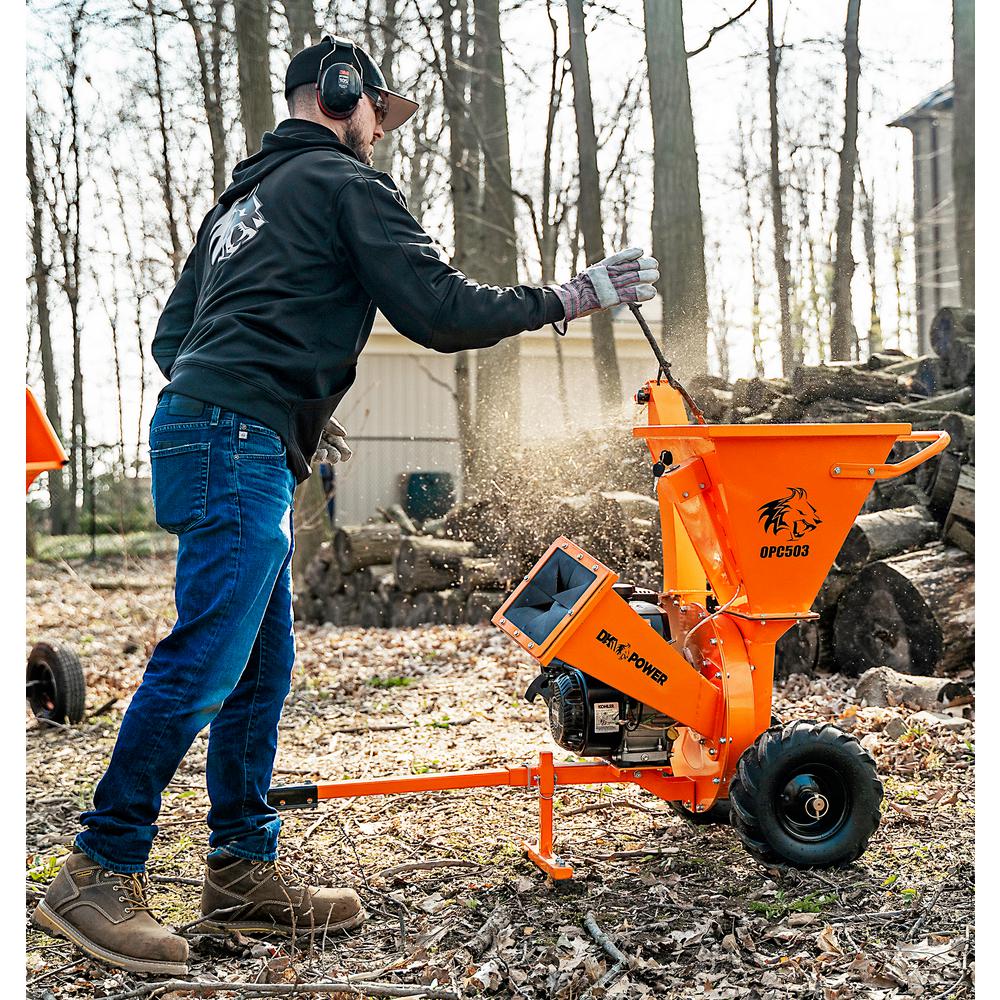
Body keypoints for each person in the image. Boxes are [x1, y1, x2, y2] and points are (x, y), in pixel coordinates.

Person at [33, 35, 659, 976]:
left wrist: (261, 396)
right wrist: (572, 295)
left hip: (222, 432)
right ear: (340, 96)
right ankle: (98, 868)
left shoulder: (238, 205)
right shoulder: (341, 184)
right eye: (377, 113)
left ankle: (242, 871)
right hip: (237, 442)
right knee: (207, 657)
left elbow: (174, 338)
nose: (380, 133)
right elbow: (439, 309)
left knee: (259, 663)